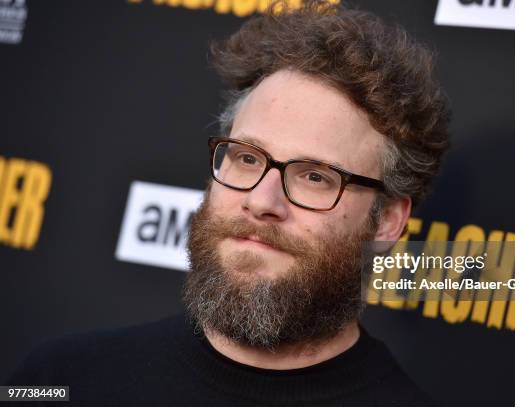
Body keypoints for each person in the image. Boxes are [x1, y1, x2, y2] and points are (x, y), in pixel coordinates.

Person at [6, 1, 449, 405]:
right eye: (247, 158)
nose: (261, 201)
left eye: (316, 176)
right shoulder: (60, 378)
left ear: (387, 221)